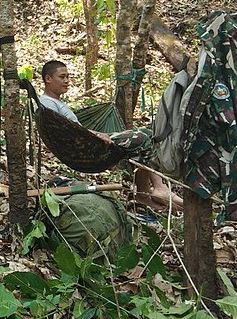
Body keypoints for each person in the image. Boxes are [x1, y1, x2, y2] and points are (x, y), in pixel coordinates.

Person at [40, 60, 183, 210]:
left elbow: (70, 128)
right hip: (84, 148)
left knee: (145, 137)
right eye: (62, 77)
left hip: (85, 143)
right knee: (143, 138)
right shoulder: (47, 103)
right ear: (48, 79)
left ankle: (149, 190)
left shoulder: (55, 102)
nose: (67, 81)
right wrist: (95, 135)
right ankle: (154, 189)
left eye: (68, 76)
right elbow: (65, 131)